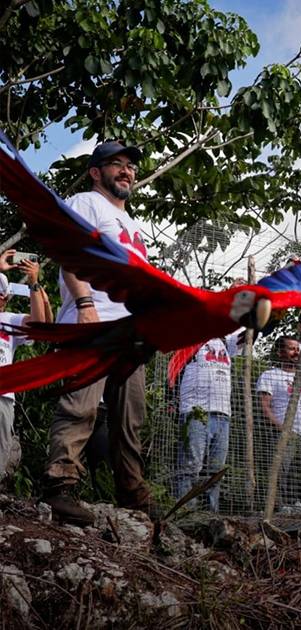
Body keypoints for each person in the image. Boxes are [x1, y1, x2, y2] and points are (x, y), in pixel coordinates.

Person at [42, 140, 157, 526]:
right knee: (81, 406)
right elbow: (69, 253)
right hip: (94, 319)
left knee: (130, 418)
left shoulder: (133, 224)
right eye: (116, 164)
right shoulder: (85, 203)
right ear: (96, 172)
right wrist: (85, 305)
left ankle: (132, 493)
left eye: (130, 166)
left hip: (132, 328)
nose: (127, 171)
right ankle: (61, 484)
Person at [173, 330, 243, 511]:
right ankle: (184, 511)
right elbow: (173, 370)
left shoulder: (227, 342)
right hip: (194, 411)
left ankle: (211, 514)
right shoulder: (190, 338)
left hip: (223, 413)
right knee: (190, 465)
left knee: (215, 469)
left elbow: (254, 330)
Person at [256, 335, 301, 508]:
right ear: (280, 352)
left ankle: (299, 503)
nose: (296, 353)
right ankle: (278, 505)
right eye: (292, 348)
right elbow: (264, 406)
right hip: (285, 431)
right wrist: (281, 427)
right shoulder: (270, 375)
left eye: (298, 349)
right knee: (281, 469)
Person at [0, 252, 51, 481]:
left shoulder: (9, 320)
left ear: (5, 298)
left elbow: (39, 325)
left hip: (3, 395)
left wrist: (33, 283)